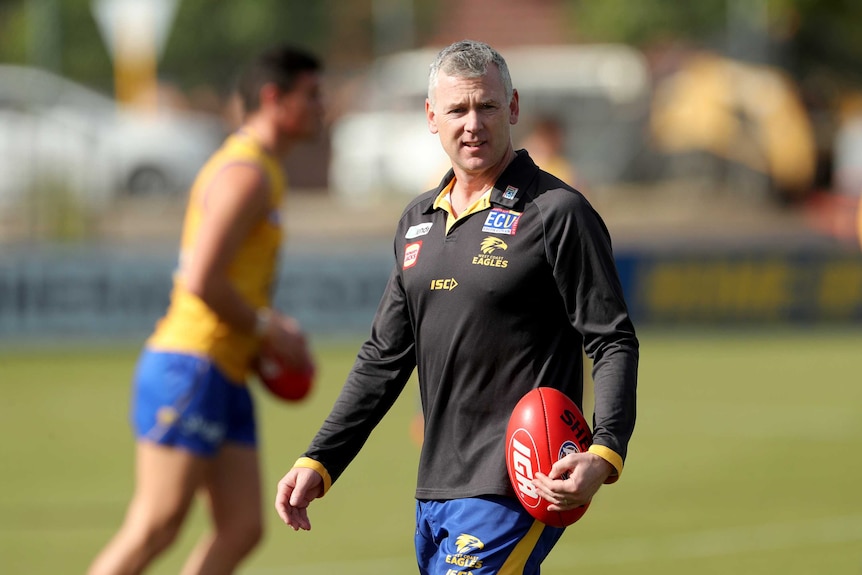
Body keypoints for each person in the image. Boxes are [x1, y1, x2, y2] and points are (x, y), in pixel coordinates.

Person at [275, 40, 638, 574]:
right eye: (457, 109)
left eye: (487, 106)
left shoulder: (558, 212)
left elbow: (611, 339)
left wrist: (603, 453)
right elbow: (383, 358)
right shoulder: (417, 221)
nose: (473, 123)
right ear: (431, 117)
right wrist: (321, 459)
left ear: (512, 108)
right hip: (435, 488)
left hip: (517, 483)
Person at [89, 44, 324, 575]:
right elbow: (200, 279)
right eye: (311, 95)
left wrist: (267, 328)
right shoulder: (246, 173)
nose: (322, 106)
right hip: (191, 363)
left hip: (225, 369)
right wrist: (268, 327)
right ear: (273, 98)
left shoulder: (264, 168)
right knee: (156, 525)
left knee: (243, 526)